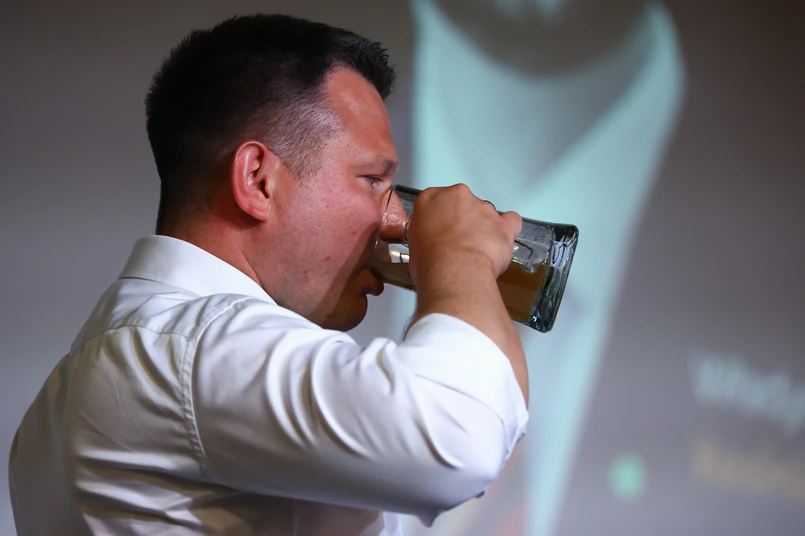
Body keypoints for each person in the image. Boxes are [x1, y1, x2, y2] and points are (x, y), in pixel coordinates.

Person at [8, 13, 528, 536]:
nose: (395, 221)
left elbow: (479, 419)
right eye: (373, 180)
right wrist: (462, 256)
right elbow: (462, 437)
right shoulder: (196, 349)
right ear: (258, 181)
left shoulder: (67, 399)